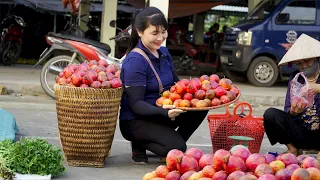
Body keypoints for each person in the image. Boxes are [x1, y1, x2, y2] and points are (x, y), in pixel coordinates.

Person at [119, 7, 208, 164]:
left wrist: (200, 90)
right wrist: (164, 112)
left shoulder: (164, 53)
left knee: (200, 107)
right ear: (140, 32)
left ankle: (165, 140)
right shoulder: (135, 61)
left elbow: (176, 83)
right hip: (136, 119)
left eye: (164, 32)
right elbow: (136, 104)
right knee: (177, 148)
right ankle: (140, 142)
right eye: (155, 33)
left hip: (162, 112)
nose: (160, 37)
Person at [263, 34, 320, 155]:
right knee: (270, 114)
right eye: (299, 63)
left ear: (317, 58)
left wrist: (317, 88)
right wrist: (294, 112)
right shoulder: (295, 78)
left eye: (307, 60)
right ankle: (292, 148)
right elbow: (288, 110)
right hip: (301, 134)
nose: (304, 65)